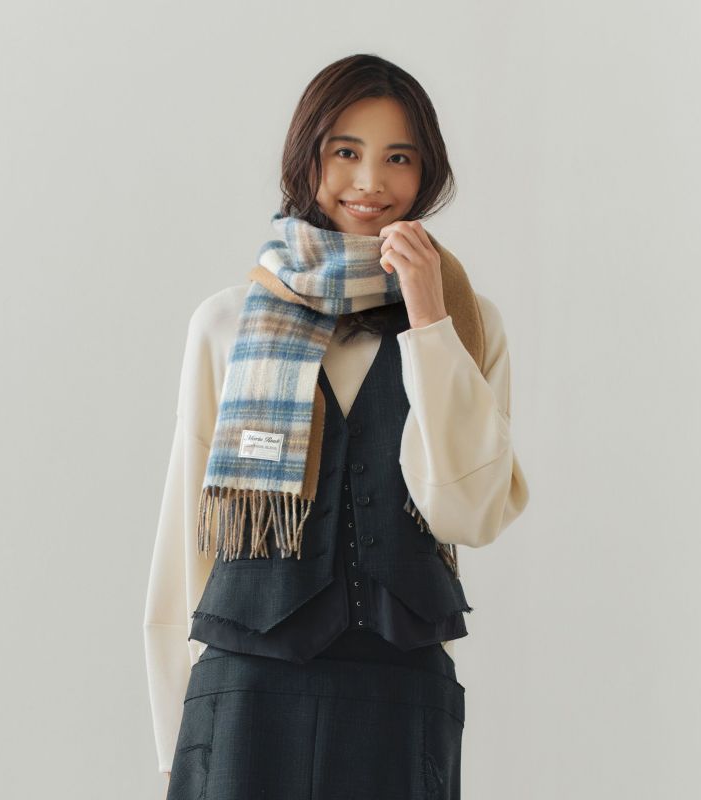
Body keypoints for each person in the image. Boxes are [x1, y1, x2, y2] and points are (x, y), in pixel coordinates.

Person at [143, 53, 530, 800]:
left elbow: (467, 513)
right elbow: (184, 536)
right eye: (345, 152)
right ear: (307, 157)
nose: (370, 182)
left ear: (428, 172)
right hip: (243, 696)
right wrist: (173, 734)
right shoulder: (227, 322)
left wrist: (429, 318)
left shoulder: (467, 324)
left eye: (399, 158)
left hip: (400, 700)